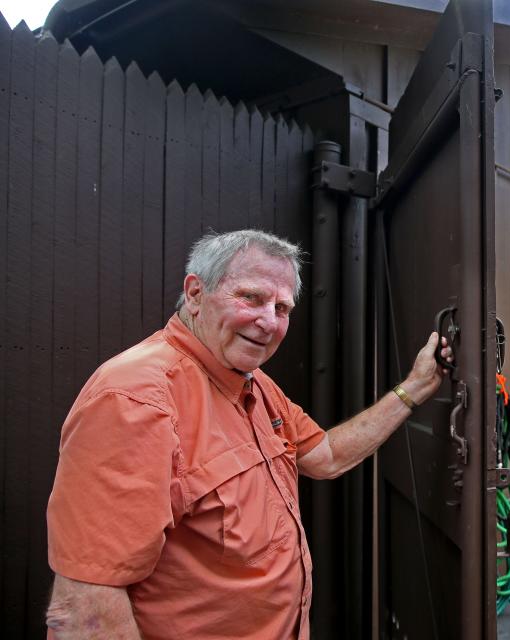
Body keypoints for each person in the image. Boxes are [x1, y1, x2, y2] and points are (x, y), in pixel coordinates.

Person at [45, 229, 452, 639]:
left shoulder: (254, 383)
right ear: (195, 293)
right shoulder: (136, 396)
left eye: (282, 307)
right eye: (251, 298)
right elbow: (86, 607)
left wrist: (414, 388)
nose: (269, 322)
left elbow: (326, 455)